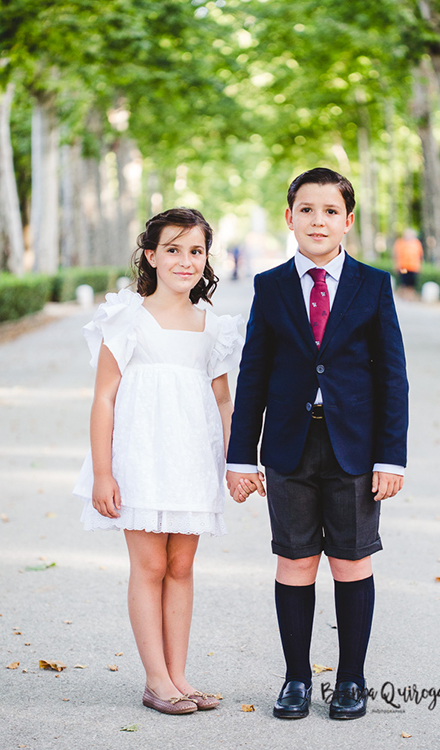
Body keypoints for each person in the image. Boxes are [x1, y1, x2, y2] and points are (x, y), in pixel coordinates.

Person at [225, 168, 408, 721]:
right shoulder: (270, 285)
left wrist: (391, 456)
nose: (318, 220)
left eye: (330, 211)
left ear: (348, 221)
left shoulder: (373, 284)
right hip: (288, 447)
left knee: (351, 563)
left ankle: (351, 679)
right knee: (295, 560)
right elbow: (253, 374)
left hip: (355, 448)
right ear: (289, 218)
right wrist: (240, 455)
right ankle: (296, 678)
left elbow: (392, 375)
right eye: (307, 209)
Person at [73, 208, 244, 715]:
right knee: (149, 565)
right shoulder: (125, 318)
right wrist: (104, 472)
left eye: (196, 251)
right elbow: (104, 397)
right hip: (141, 455)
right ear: (151, 255)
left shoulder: (215, 325)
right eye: (173, 249)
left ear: (207, 258)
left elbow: (223, 402)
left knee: (181, 565)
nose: (185, 260)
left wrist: (237, 464)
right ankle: (155, 680)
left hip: (192, 456)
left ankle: (180, 675)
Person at [392, 228, 423, 293]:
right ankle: (403, 294)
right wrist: (396, 265)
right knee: (404, 280)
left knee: (412, 282)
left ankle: (410, 295)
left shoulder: (417, 243)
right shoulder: (400, 242)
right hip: (404, 267)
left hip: (414, 268)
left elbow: (420, 256)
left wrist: (420, 266)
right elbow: (396, 254)